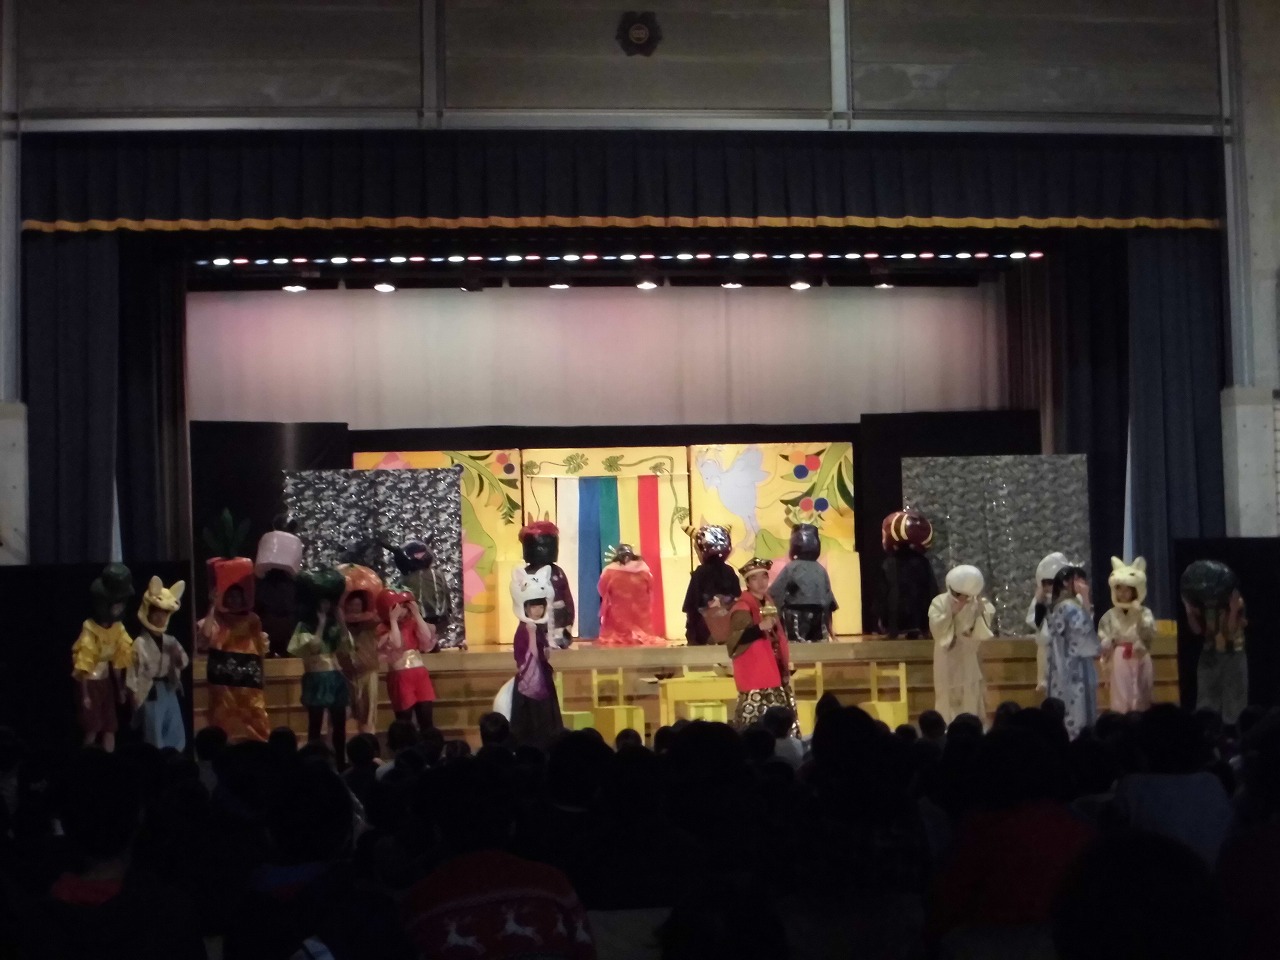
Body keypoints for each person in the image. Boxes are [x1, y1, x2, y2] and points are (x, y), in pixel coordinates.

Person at [199, 556, 270, 742]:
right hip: (222, 678)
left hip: (248, 674)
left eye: (237, 596)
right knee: (221, 719)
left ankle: (262, 749)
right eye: (230, 597)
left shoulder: (252, 619)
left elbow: (260, 649)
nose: (234, 600)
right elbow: (206, 635)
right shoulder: (218, 619)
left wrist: (263, 674)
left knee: (256, 716)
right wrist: (212, 605)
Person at [289, 568, 355, 767]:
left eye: (328, 602)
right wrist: (320, 624)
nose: (326, 605)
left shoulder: (334, 626)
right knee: (315, 724)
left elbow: (346, 647)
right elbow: (312, 647)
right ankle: (313, 762)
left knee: (339, 724)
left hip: (334, 677)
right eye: (322, 602)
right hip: (316, 677)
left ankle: (341, 761)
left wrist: (341, 621)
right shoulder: (304, 626)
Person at [727, 557, 798, 733]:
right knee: (755, 724)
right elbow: (735, 639)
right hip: (756, 674)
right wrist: (759, 627)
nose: (760, 582)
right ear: (747, 583)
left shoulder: (768, 602)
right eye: (754, 578)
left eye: (764, 577)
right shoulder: (742, 607)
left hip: (774, 670)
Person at [71, 565, 135, 752]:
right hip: (91, 683)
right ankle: (86, 761)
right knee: (92, 728)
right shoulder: (90, 629)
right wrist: (85, 695)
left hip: (106, 683)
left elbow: (117, 662)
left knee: (110, 727)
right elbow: (83, 664)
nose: (119, 607)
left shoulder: (118, 629)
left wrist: (120, 688)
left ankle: (110, 761)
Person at [1180, 559, 1248, 725]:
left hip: (1233, 654)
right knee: (1206, 701)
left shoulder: (1235, 601)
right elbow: (1198, 631)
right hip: (1210, 654)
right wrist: (1189, 612)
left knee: (1234, 702)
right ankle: (1207, 731)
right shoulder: (1206, 604)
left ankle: (1233, 733)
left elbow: (1231, 631)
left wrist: (1233, 610)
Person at [126, 576, 190, 751]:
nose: (160, 617)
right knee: (153, 732)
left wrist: (177, 656)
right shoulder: (140, 642)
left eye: (164, 614)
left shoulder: (171, 640)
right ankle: (156, 760)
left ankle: (175, 758)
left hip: (169, 687)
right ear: (149, 613)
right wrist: (133, 696)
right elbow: (133, 673)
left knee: (175, 729)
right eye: (157, 613)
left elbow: (184, 662)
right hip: (150, 689)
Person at [510, 564, 567, 749]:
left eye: (540, 606)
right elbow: (531, 655)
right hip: (531, 682)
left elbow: (543, 655)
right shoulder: (525, 629)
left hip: (542, 677)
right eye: (533, 606)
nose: (537, 610)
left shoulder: (537, 628)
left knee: (546, 718)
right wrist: (533, 635)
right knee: (535, 721)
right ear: (525, 607)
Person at [929, 565, 994, 724]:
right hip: (947, 654)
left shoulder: (978, 602)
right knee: (947, 693)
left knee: (970, 690)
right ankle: (947, 725)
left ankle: (971, 725)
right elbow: (937, 628)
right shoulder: (939, 601)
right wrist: (952, 613)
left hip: (968, 653)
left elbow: (983, 627)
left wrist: (978, 612)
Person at [1045, 564, 1100, 740]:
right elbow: (1083, 631)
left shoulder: (1062, 604)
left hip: (1064, 660)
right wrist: (1086, 599)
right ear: (1066, 582)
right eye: (1076, 579)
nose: (1081, 582)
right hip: (1073, 664)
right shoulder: (1069, 606)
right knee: (1076, 706)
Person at [1098, 557, 1156, 714]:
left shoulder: (1145, 612)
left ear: (1135, 590)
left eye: (1127, 589)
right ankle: (1121, 721)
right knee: (1121, 694)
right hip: (1120, 656)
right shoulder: (1110, 614)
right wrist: (1108, 641)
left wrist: (1139, 616)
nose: (1122, 593)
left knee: (1142, 692)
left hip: (1140, 653)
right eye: (1119, 589)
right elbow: (1104, 635)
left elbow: (1149, 632)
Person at [376, 588, 438, 732]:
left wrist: (417, 614)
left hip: (420, 675)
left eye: (404, 607)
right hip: (400, 676)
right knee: (404, 722)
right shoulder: (383, 629)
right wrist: (393, 621)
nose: (402, 611)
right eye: (397, 607)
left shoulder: (413, 623)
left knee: (426, 719)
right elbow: (397, 644)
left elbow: (428, 638)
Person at [770, 523, 837, 643]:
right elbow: (828, 600)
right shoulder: (820, 569)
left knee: (796, 647)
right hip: (818, 617)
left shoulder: (792, 568)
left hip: (795, 616)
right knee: (818, 646)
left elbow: (775, 593)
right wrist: (831, 630)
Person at [337, 564, 384, 735]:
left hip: (367, 671)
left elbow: (377, 618)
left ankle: (368, 741)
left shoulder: (371, 622)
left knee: (368, 715)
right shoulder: (339, 625)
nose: (354, 609)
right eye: (351, 606)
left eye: (357, 606)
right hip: (346, 673)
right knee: (343, 714)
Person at [879, 510, 938, 639]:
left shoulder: (890, 562)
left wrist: (883, 619)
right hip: (920, 619)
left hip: (895, 620)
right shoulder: (923, 561)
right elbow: (932, 591)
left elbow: (884, 593)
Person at [518, 518, 576, 646]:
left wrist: (569, 622)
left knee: (558, 638)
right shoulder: (526, 573)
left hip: (558, 619)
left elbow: (568, 599)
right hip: (535, 619)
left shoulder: (558, 573)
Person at [681, 523, 740, 645]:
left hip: (704, 633)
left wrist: (691, 635)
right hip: (729, 633)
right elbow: (737, 600)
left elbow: (692, 607)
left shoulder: (700, 573)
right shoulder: (729, 571)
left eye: (697, 549)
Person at [596, 543, 665, 646]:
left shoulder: (609, 571)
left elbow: (601, 588)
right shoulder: (644, 570)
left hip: (617, 612)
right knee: (643, 631)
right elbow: (650, 587)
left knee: (615, 635)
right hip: (640, 612)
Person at [1026, 552, 1069, 694]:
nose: (1049, 587)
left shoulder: (1069, 600)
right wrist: (1040, 604)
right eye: (1046, 583)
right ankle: (1044, 681)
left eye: (1052, 583)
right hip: (1046, 645)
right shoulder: (1040, 600)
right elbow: (1034, 621)